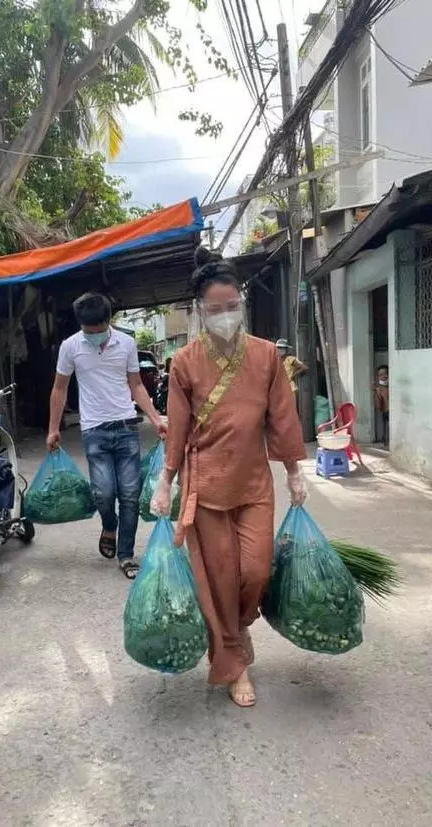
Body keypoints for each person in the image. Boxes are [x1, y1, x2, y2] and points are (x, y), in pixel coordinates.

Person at [151, 248, 307, 708]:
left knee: (256, 571)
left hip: (254, 484)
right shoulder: (183, 362)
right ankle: (234, 665)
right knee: (218, 581)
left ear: (241, 302)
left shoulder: (264, 357)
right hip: (206, 488)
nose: (224, 316)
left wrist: (295, 472)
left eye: (231, 306)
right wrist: (165, 481)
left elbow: (282, 419)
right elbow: (176, 428)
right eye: (214, 310)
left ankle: (238, 630)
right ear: (200, 311)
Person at [47, 293, 166, 579]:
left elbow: (136, 385)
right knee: (104, 493)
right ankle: (109, 526)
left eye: (100, 330)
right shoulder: (70, 347)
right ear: (81, 326)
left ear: (108, 321)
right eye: (90, 332)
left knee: (130, 495)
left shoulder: (126, 343)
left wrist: (155, 418)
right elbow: (59, 389)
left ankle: (126, 555)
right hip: (94, 430)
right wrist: (53, 428)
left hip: (126, 427)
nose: (95, 336)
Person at [372, 364, 389, 447]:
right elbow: (378, 406)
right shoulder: (379, 389)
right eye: (380, 375)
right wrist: (377, 393)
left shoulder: (394, 385)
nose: (383, 377)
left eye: (385, 374)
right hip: (386, 412)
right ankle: (386, 441)